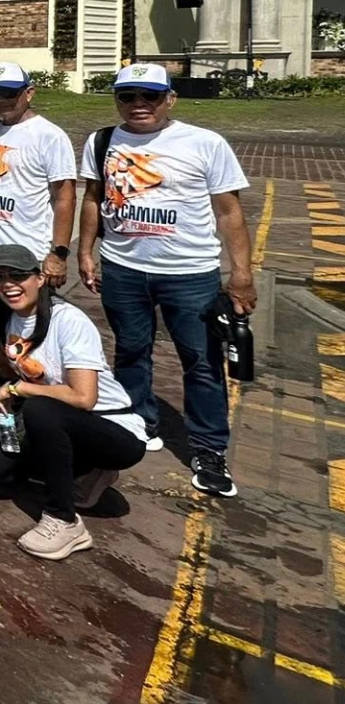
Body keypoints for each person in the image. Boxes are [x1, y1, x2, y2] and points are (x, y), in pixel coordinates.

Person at [79, 63, 251, 498]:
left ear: (169, 99)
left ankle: (209, 448)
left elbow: (228, 211)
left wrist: (241, 274)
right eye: (128, 96)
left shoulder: (204, 143)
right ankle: (138, 421)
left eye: (149, 96)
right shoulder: (102, 141)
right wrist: (85, 250)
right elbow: (93, 199)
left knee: (203, 361)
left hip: (190, 273)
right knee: (131, 351)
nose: (139, 105)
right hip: (124, 267)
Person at [0, 244, 147, 560]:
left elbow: (83, 397)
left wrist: (17, 389)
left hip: (115, 429)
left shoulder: (69, 321)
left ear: (39, 278)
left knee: (40, 409)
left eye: (18, 275)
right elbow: (2, 350)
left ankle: (64, 521)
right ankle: (83, 472)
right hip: (61, 423)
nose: (8, 284)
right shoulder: (10, 315)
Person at [0, 62, 76, 299]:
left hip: (27, 253)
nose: (0, 100)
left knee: (29, 329)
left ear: (29, 93)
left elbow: (66, 197)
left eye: (9, 93)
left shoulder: (49, 136)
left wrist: (59, 253)